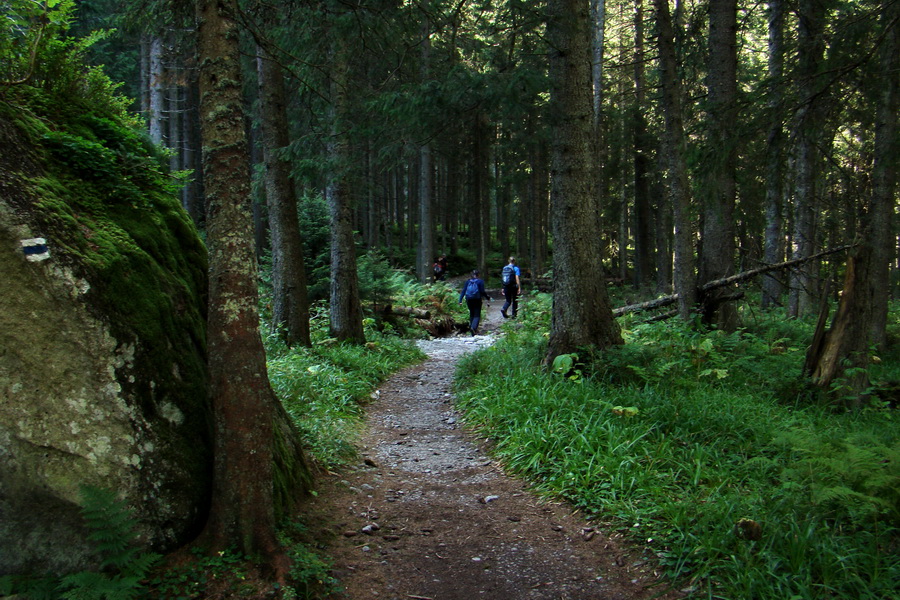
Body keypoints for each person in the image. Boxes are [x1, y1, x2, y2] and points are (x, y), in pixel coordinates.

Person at [458, 269, 491, 335]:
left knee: (471, 313)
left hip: (468, 299)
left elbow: (463, 291)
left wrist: (460, 300)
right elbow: (482, 291)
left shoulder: (468, 282)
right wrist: (487, 297)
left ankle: (471, 326)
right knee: (477, 314)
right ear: (478, 275)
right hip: (477, 299)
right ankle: (473, 328)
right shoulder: (480, 282)